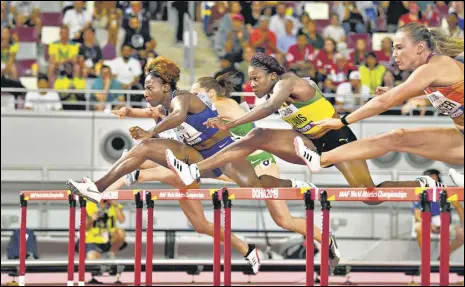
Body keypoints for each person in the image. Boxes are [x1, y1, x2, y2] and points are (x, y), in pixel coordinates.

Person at [166, 52, 439, 209]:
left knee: (368, 195)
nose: (251, 84)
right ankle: (196, 169)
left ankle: (422, 184)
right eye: (249, 79)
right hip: (308, 143)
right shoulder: (272, 89)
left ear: (273, 76)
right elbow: (259, 110)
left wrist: (230, 124)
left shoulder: (288, 82)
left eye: (255, 78)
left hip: (337, 140)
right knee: (257, 136)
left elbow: (271, 106)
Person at [67, 56, 265, 273]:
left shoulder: (181, 98)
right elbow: (146, 113)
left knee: (146, 156)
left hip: (220, 158)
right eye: (144, 88)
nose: (145, 93)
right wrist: (128, 112)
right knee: (200, 224)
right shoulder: (162, 109)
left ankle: (120, 180)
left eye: (150, 87)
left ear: (165, 86)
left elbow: (179, 116)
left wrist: (150, 132)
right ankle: (247, 249)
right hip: (192, 162)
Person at [109, 75, 331, 261]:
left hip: (255, 160)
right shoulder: (199, 107)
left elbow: (174, 111)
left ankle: (324, 236)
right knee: (184, 172)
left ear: (209, 95)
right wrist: (130, 111)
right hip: (226, 160)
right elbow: (157, 111)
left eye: (196, 94)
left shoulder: (222, 105)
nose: (190, 98)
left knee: (284, 220)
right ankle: (125, 178)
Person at [293, 23, 464, 175]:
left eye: (399, 47)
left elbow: (384, 102)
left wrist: (343, 121)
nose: (394, 54)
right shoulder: (431, 73)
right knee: (398, 137)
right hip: (461, 136)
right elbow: (446, 94)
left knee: (398, 136)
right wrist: (396, 92)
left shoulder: (434, 67)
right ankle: (321, 159)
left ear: (419, 47)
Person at [412, 169, 464, 258]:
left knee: (462, 234)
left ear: (435, 177)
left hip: (446, 224)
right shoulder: (420, 192)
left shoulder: (447, 191)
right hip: (427, 224)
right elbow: (417, 215)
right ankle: (426, 257)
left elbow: (459, 208)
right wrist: (429, 223)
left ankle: (444, 255)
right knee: (418, 228)